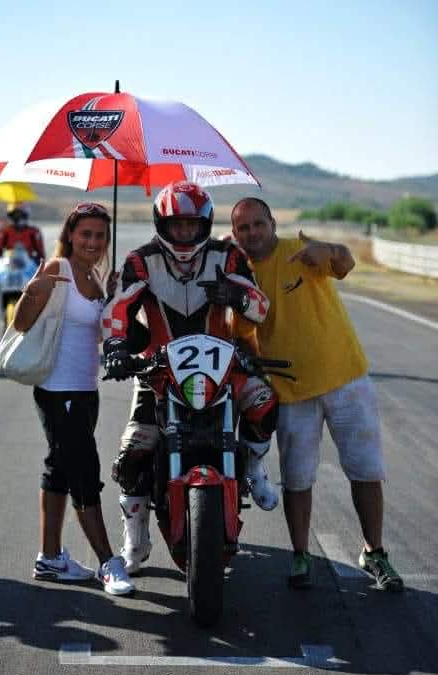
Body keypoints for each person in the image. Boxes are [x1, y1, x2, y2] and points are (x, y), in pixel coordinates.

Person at [102, 181, 279, 575]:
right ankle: (135, 538)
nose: (184, 233)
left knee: (265, 405)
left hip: (223, 367)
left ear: (205, 224)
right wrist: (115, 346)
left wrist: (235, 296)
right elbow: (118, 309)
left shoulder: (227, 255)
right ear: (161, 224)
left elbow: (261, 308)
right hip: (157, 372)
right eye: (176, 225)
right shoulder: (141, 260)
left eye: (191, 225)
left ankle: (253, 467)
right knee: (132, 456)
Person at [231, 197, 404, 592]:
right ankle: (300, 555)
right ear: (236, 234)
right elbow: (243, 336)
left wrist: (331, 250)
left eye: (258, 224)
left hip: (347, 379)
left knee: (366, 471)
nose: (252, 232)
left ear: (273, 224)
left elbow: (346, 264)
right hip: (292, 393)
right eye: (243, 228)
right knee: (297, 479)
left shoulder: (301, 250)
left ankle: (375, 552)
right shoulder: (243, 278)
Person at [13, 202, 134, 595]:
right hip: (57, 390)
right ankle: (109, 563)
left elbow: (94, 335)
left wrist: (110, 297)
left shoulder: (95, 276)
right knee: (83, 471)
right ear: (70, 235)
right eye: (86, 234)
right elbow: (21, 323)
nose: (93, 242)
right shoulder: (58, 269)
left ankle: (50, 559)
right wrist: (30, 294)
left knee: (59, 469)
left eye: (100, 235)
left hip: (85, 391)